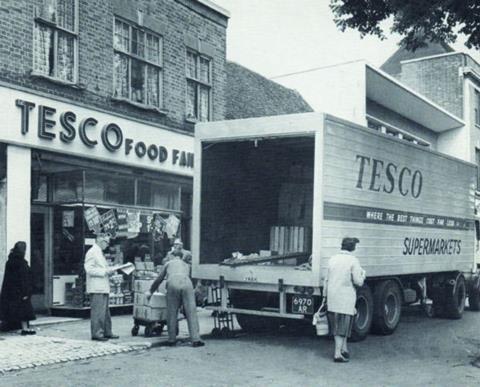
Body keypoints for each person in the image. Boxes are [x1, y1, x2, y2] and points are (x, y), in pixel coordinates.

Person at [146, 250, 204, 347]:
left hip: (172, 282)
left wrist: (150, 291)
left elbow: (159, 279)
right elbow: (193, 278)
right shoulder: (186, 265)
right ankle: (195, 339)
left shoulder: (168, 263)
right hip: (187, 282)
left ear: (173, 256)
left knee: (172, 312)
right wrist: (193, 290)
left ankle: (172, 339)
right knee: (191, 312)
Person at [323, 237, 365, 363]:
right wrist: (363, 275)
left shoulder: (332, 259)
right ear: (353, 248)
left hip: (332, 296)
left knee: (337, 325)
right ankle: (337, 354)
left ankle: (344, 350)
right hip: (346, 298)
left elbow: (326, 279)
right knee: (343, 327)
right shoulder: (353, 261)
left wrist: (325, 297)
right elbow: (358, 282)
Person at [84, 234, 119, 341]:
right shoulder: (92, 252)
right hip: (96, 287)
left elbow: (102, 268)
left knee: (105, 311)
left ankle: (107, 331)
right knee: (98, 311)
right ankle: (97, 333)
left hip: (102, 286)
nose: (107, 245)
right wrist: (105, 272)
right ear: (100, 240)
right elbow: (89, 269)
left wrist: (110, 271)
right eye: (106, 242)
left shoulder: (99, 252)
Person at [0, 241, 36, 335]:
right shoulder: (20, 262)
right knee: (24, 310)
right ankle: (25, 328)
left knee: (17, 309)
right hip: (20, 291)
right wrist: (26, 292)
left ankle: (22, 327)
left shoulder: (11, 261)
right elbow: (23, 278)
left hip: (12, 291)